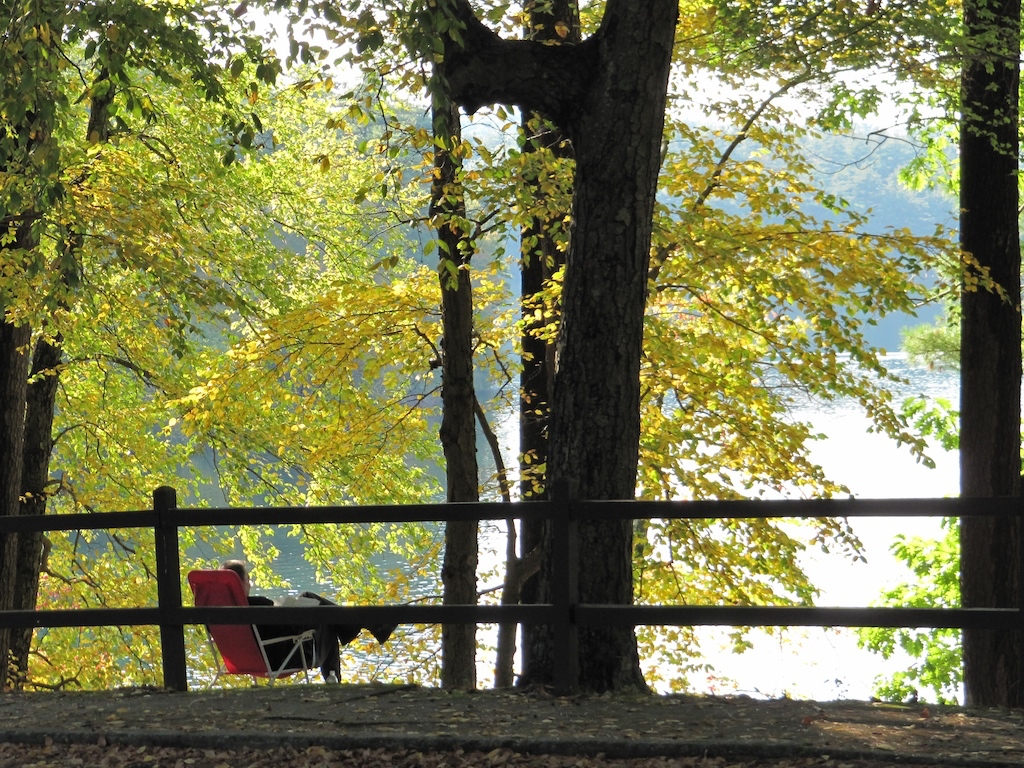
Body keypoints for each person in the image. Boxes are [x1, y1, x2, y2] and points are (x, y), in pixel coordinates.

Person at [221, 560, 395, 683]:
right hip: (284, 658)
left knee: (317, 608)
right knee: (321, 613)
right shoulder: (258, 604)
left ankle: (364, 625)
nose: (250, 584)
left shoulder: (214, 613)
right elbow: (289, 629)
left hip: (248, 659)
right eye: (248, 579)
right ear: (239, 583)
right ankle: (368, 625)